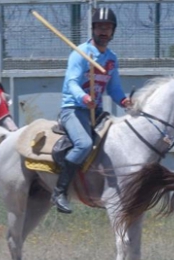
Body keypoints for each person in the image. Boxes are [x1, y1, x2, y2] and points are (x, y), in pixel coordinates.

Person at [53, 7, 132, 214]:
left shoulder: (112, 59)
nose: (103, 31)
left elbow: (113, 88)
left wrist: (124, 101)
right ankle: (59, 191)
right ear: (93, 29)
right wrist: (84, 97)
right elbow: (71, 83)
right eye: (99, 27)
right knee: (84, 144)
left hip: (96, 111)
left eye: (107, 27)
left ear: (113, 31)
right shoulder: (80, 54)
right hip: (74, 108)